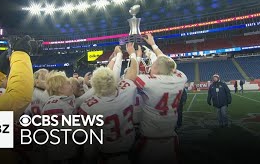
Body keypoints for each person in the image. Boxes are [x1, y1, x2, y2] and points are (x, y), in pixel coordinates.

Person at [79, 43, 138, 164]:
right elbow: (132, 73)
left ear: (94, 86)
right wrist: (132, 54)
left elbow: (90, 141)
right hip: (130, 152)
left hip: (107, 154)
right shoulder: (127, 91)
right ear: (113, 81)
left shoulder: (88, 107)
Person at [134, 34, 187, 164]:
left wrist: (136, 56)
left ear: (156, 69)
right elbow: (169, 65)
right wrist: (154, 46)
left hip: (150, 140)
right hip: (171, 138)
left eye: (153, 66)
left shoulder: (150, 83)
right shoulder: (181, 77)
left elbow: (132, 76)